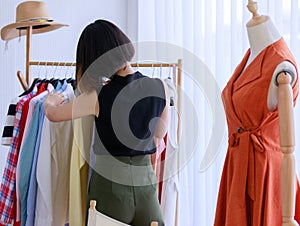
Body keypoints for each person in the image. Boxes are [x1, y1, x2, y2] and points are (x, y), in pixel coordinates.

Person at [44, 19, 168, 226]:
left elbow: (53, 115)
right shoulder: (160, 86)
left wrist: (49, 101)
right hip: (146, 185)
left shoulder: (96, 96)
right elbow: (160, 135)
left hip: (109, 187)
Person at [214, 1, 300, 225]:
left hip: (264, 172)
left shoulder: (281, 65)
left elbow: (289, 150)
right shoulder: (250, 57)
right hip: (237, 165)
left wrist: (288, 218)